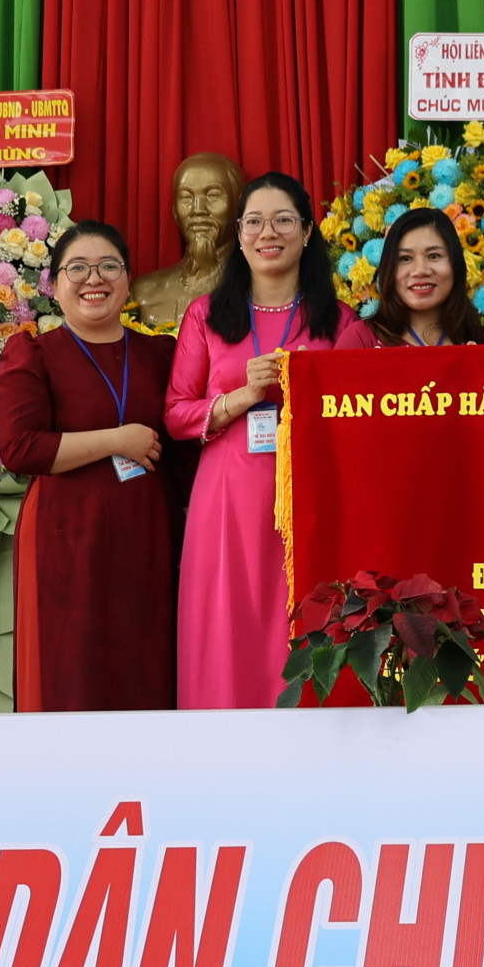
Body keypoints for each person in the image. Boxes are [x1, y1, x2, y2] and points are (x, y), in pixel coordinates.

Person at [165, 172, 365, 708]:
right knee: (226, 624)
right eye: (253, 221)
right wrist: (241, 397)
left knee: (301, 618)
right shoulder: (206, 315)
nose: (267, 233)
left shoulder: (339, 322)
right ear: (238, 234)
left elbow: (354, 421)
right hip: (227, 497)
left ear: (307, 232)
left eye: (282, 220)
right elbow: (177, 415)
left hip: (309, 497)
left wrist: (304, 391)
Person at [0, 220, 180, 712]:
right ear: (54, 286)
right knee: (71, 672)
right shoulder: (34, 354)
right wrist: (117, 440)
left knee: (148, 668)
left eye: (108, 267)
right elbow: (21, 449)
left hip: (149, 535)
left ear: (128, 280)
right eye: (77, 268)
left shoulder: (161, 354)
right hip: (67, 537)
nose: (94, 279)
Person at [342, 206, 484, 348]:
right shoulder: (360, 341)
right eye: (405, 258)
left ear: (455, 264)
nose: (420, 271)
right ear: (389, 268)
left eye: (434, 256)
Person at [131, 150, 246, 331]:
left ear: (240, 207)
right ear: (175, 211)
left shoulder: (261, 291)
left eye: (213, 196)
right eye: (186, 197)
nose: (198, 209)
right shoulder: (143, 294)